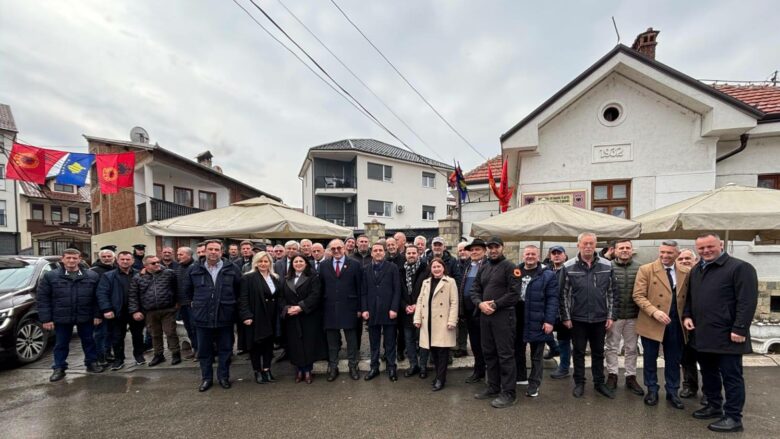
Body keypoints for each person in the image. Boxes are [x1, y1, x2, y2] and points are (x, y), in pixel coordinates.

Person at [684, 233, 758, 433]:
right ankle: (714, 405)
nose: (706, 251)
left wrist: (740, 328)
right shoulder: (696, 270)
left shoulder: (740, 268)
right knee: (708, 374)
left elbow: (747, 301)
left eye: (710, 246)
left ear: (721, 244)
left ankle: (734, 417)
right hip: (702, 334)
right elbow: (690, 297)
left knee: (731, 377)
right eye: (701, 248)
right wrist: (687, 315)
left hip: (729, 335)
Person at [559, 232, 618, 399]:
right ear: (578, 245)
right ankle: (579, 382)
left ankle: (599, 383)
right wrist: (566, 317)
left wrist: (611, 316)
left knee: (598, 352)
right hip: (577, 319)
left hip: (600, 318)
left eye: (591, 244)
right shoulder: (568, 266)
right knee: (578, 352)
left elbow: (613, 292)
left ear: (596, 245)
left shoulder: (607, 265)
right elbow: (563, 294)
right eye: (585, 243)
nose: (588, 247)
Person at [633, 240, 689, 410]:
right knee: (650, 358)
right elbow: (638, 295)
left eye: (669, 253)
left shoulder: (686, 271)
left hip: (675, 322)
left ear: (677, 254)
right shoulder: (646, 269)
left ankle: (673, 391)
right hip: (652, 320)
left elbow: (690, 298)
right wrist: (654, 312)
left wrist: (687, 316)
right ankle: (652, 389)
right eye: (662, 252)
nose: (665, 256)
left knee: (673, 359)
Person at [182, 239, 243, 391]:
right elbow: (188, 291)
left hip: (225, 316)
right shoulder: (194, 269)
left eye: (217, 249)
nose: (213, 252)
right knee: (204, 351)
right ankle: (206, 378)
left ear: (222, 252)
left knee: (225, 349)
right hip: (203, 317)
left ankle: (223, 377)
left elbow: (239, 290)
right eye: (211, 249)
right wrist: (197, 305)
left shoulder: (232, 268)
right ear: (205, 251)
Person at [38, 248, 104, 382]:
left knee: (89, 341)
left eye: (74, 258)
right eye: (68, 258)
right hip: (62, 316)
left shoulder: (92, 276)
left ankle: (91, 363)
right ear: (62, 259)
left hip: (85, 315)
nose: (71, 261)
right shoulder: (51, 276)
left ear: (80, 259)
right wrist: (46, 319)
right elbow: (43, 298)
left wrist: (98, 315)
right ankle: (59, 368)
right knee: (61, 343)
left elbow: (98, 297)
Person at [471, 237, 520, 409]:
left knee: (505, 355)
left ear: (502, 247)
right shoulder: (484, 267)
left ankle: (508, 392)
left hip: (503, 317)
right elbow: (475, 289)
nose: (493, 250)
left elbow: (514, 294)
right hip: (485, 316)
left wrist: (495, 304)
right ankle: (493, 386)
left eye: (496, 247)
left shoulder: (510, 267)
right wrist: (480, 303)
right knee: (489, 353)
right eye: (490, 247)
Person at [518, 245, 559, 397]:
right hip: (519, 318)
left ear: (538, 256)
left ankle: (534, 384)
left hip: (538, 319)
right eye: (527, 254)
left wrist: (549, 321)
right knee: (518, 351)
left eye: (533, 254)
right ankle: (521, 377)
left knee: (536, 355)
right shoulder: (516, 271)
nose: (529, 256)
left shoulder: (547, 275)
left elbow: (553, 299)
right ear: (523, 256)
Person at [128, 254, 183, 367]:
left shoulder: (169, 273)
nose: (157, 264)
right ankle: (158, 355)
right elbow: (133, 295)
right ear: (145, 265)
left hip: (167, 309)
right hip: (150, 311)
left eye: (158, 262)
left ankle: (175, 353)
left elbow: (176, 288)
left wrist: (177, 302)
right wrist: (135, 311)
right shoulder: (138, 277)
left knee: (170, 332)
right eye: (153, 263)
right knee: (155, 334)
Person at [320, 239, 363, 381]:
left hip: (350, 307)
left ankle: (353, 366)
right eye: (333, 249)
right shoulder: (324, 265)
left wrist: (360, 308)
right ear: (330, 250)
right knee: (332, 342)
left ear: (344, 248)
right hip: (330, 307)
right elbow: (321, 288)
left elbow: (360, 288)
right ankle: (333, 367)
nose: (336, 251)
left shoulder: (355, 265)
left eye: (339, 248)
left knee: (351, 340)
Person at [280, 254, 327, 383]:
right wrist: (287, 308)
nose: (298, 263)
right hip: (291, 317)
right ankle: (299, 370)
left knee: (308, 344)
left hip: (308, 316)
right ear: (292, 264)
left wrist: (300, 307)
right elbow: (281, 297)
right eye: (296, 261)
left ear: (306, 263)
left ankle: (307, 371)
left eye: (301, 261)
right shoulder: (286, 279)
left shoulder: (313, 277)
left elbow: (315, 295)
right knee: (295, 346)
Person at [605, 239, 644, 396]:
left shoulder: (640, 267)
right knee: (611, 347)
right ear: (614, 250)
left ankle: (630, 376)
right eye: (621, 248)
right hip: (614, 316)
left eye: (628, 247)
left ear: (632, 249)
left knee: (631, 348)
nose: (625, 250)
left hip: (633, 315)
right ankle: (612, 375)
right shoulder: (608, 267)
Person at [414, 258, 458, 391]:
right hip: (428, 321)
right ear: (430, 269)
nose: (436, 269)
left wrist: (452, 321)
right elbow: (420, 300)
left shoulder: (450, 281)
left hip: (443, 322)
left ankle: (441, 379)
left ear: (443, 268)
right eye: (434, 267)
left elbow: (454, 302)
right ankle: (439, 376)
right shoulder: (426, 282)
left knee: (442, 352)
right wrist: (417, 318)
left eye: (439, 266)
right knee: (433, 351)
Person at [239, 251, 282, 384]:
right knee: (256, 345)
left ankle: (267, 369)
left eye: (266, 261)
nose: (263, 264)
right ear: (255, 263)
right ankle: (257, 371)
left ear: (270, 263)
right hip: (256, 315)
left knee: (269, 345)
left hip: (272, 316)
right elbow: (243, 298)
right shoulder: (248, 277)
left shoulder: (275, 277)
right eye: (260, 261)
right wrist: (246, 315)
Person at [97, 251, 144, 370]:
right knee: (117, 337)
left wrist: (142, 310)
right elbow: (102, 293)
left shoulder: (140, 275)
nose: (125, 261)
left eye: (128, 259)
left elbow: (144, 293)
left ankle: (139, 356)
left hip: (135, 311)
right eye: (122, 259)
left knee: (138, 335)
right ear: (117, 261)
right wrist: (107, 309)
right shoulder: (108, 276)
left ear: (132, 261)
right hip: (117, 312)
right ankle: (119, 359)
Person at [362, 242, 401, 382]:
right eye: (375, 250)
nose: (378, 252)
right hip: (372, 311)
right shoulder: (366, 269)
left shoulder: (392, 267)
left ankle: (391, 367)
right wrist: (365, 309)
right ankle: (374, 367)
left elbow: (397, 290)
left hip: (388, 310)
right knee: (374, 342)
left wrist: (394, 308)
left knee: (390, 342)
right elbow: (364, 291)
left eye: (380, 250)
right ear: (371, 253)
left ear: (384, 253)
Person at [676, 248, 702, 402]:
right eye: (681, 259)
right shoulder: (676, 276)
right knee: (686, 358)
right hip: (683, 323)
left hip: (702, 323)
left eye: (688, 258)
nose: (685, 261)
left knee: (707, 360)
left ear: (695, 260)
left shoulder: (702, 274)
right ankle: (689, 386)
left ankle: (709, 391)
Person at [400, 244, 429, 378]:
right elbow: (398, 291)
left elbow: (428, 291)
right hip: (406, 311)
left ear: (418, 254)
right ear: (405, 255)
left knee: (423, 339)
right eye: (408, 253)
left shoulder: (426, 269)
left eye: (413, 253)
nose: (411, 255)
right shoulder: (401, 270)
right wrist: (405, 305)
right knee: (409, 340)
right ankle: (413, 365)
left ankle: (423, 365)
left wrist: (417, 305)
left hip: (422, 310)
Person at [462, 239, 487, 384]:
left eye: (477, 249)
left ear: (484, 251)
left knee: (485, 343)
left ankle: (486, 370)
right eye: (472, 250)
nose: (474, 252)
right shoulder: (467, 265)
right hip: (468, 310)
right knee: (475, 343)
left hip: (482, 310)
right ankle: (478, 371)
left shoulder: (487, 265)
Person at [547, 246, 572, 379]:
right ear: (550, 256)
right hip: (549, 311)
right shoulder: (547, 271)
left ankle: (564, 368)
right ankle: (553, 348)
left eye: (559, 253)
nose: (556, 256)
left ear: (564, 256)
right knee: (544, 333)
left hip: (564, 312)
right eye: (554, 254)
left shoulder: (569, 270)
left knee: (564, 341)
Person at [90, 248, 116, 366]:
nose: (107, 259)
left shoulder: (117, 269)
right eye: (104, 257)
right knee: (100, 334)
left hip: (114, 309)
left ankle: (108, 353)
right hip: (100, 310)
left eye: (109, 256)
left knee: (111, 333)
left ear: (113, 258)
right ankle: (100, 357)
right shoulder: (93, 272)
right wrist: (97, 314)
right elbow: (93, 294)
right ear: (100, 258)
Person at [175, 247, 198, 360]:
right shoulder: (178, 267)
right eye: (178, 254)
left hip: (193, 304)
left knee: (195, 328)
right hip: (182, 304)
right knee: (189, 328)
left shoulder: (195, 267)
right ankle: (195, 349)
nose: (178, 256)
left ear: (189, 255)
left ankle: (200, 351)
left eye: (181, 254)